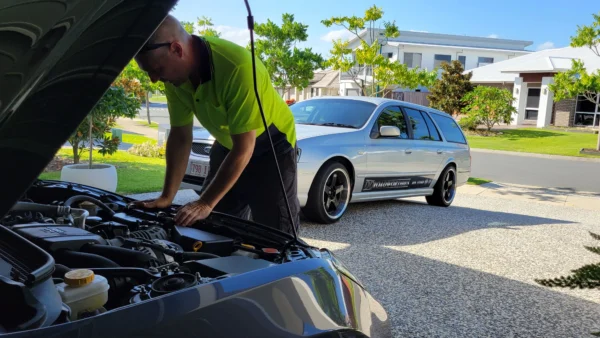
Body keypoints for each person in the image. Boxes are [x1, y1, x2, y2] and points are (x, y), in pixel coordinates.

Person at [131, 15, 300, 235]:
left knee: (276, 234)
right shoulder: (174, 76)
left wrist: (205, 203)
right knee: (215, 226)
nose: (154, 79)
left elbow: (244, 148)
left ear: (176, 49)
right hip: (229, 143)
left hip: (271, 145)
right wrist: (167, 196)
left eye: (156, 69)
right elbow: (181, 135)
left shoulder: (238, 68)